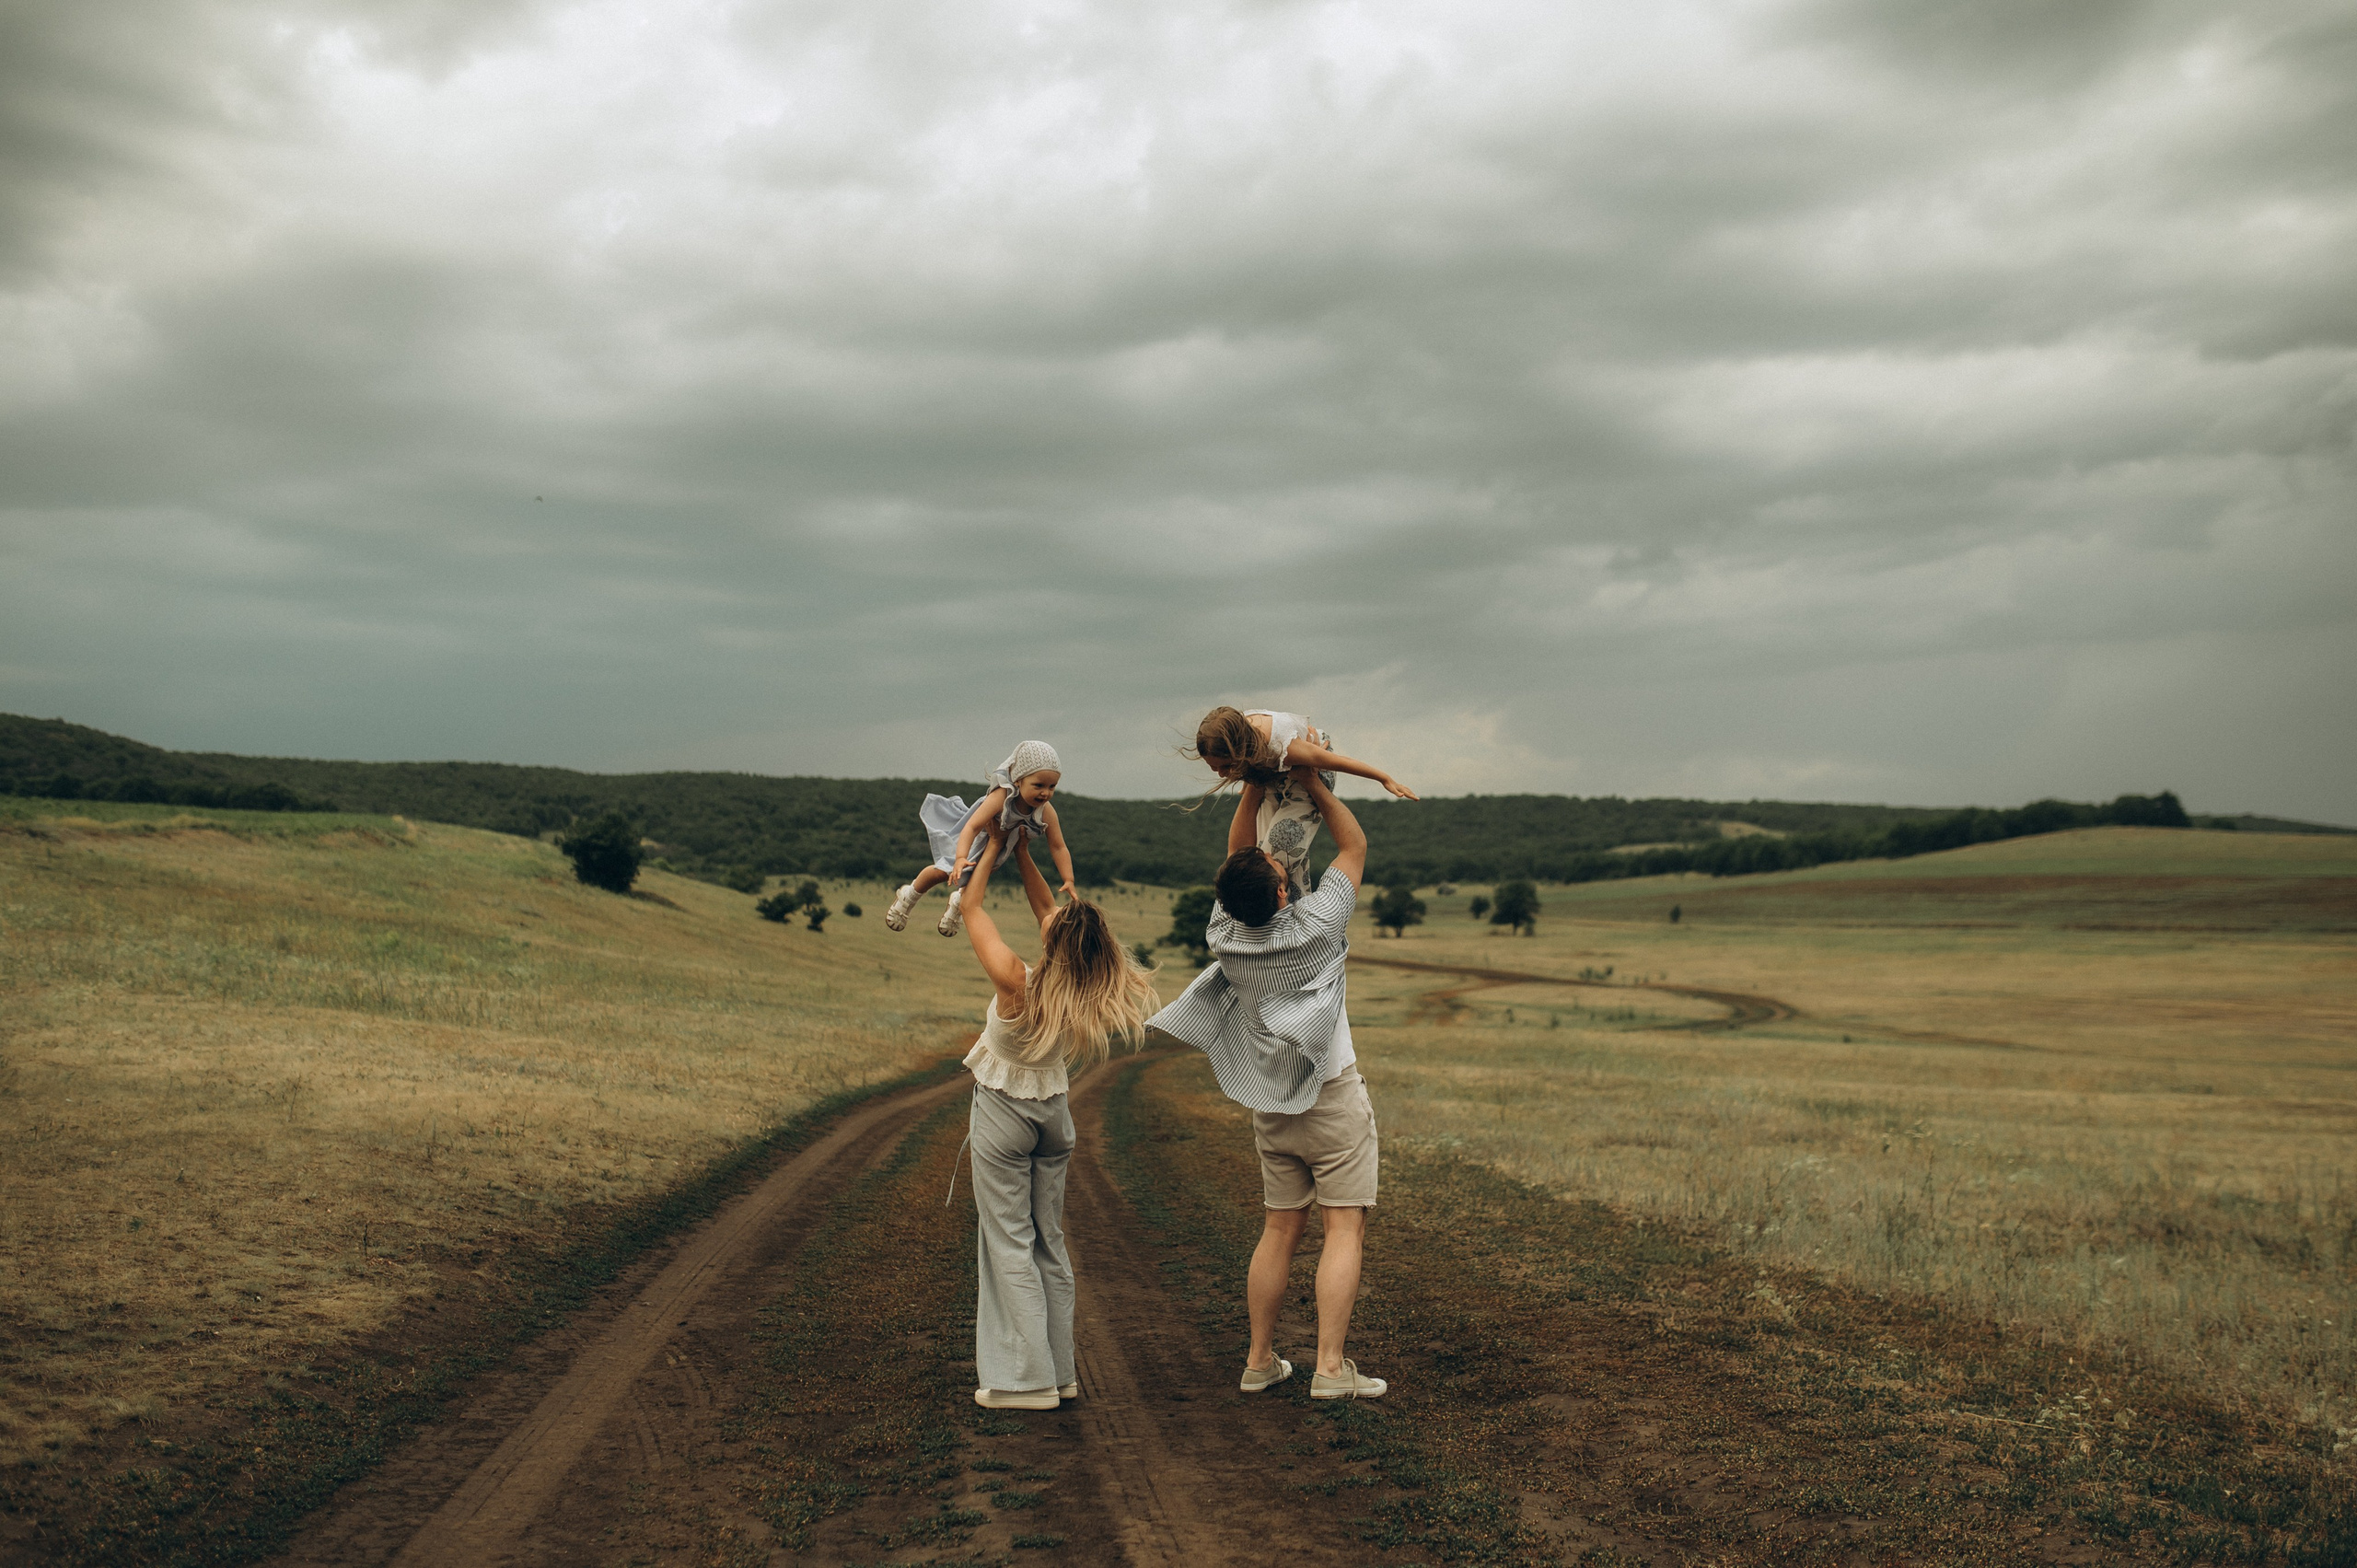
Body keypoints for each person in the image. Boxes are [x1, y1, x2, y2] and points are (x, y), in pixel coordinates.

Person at [1147, 767, 1387, 1400]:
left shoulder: (1223, 933)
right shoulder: (1317, 928)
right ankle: (1331, 1368)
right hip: (1331, 1093)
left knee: (1279, 1227)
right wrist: (1315, 781)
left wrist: (1253, 786)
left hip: (1270, 1103)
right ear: (1283, 896)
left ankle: (1259, 1358)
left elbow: (1235, 856)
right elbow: (1354, 846)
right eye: (1282, 879)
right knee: (1343, 1226)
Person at [954, 825, 1159, 1410]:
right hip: (1053, 1120)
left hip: (1004, 1116)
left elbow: (971, 904)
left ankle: (1026, 1381)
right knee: (1050, 1242)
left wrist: (991, 845)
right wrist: (1024, 850)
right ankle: (1060, 1371)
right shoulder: (1088, 987)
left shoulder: (1018, 982)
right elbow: (1048, 908)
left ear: (1057, 942)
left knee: (1009, 1242)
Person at [1187, 707, 1415, 900]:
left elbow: (1336, 762)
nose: (1220, 774)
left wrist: (1384, 778)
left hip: (1308, 770)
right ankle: (1296, 916)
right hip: (1273, 778)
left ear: (1242, 750)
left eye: (1225, 767)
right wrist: (1252, 777)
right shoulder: (1233, 733)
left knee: (1273, 860)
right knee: (1253, 867)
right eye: (1213, 768)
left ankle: (1284, 921)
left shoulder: (1284, 748)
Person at [886, 741, 1076, 936]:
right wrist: (961, 857)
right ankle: (909, 894)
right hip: (973, 841)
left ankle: (958, 904)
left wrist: (1068, 878)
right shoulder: (1002, 797)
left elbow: (1058, 846)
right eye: (1039, 785)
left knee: (978, 879)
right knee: (944, 871)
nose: (1046, 792)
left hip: (998, 849)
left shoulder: (1046, 811)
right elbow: (972, 827)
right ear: (1018, 780)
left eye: (1052, 786)